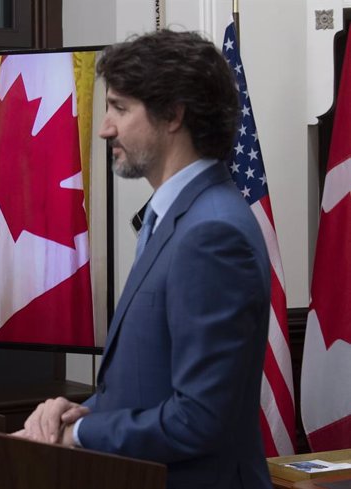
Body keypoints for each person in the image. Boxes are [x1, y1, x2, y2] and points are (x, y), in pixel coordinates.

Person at [14, 30, 273, 489]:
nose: (104, 127)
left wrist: (81, 434)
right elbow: (150, 384)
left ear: (173, 114)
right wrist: (80, 410)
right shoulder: (175, 216)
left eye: (119, 107)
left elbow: (198, 418)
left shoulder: (212, 233)